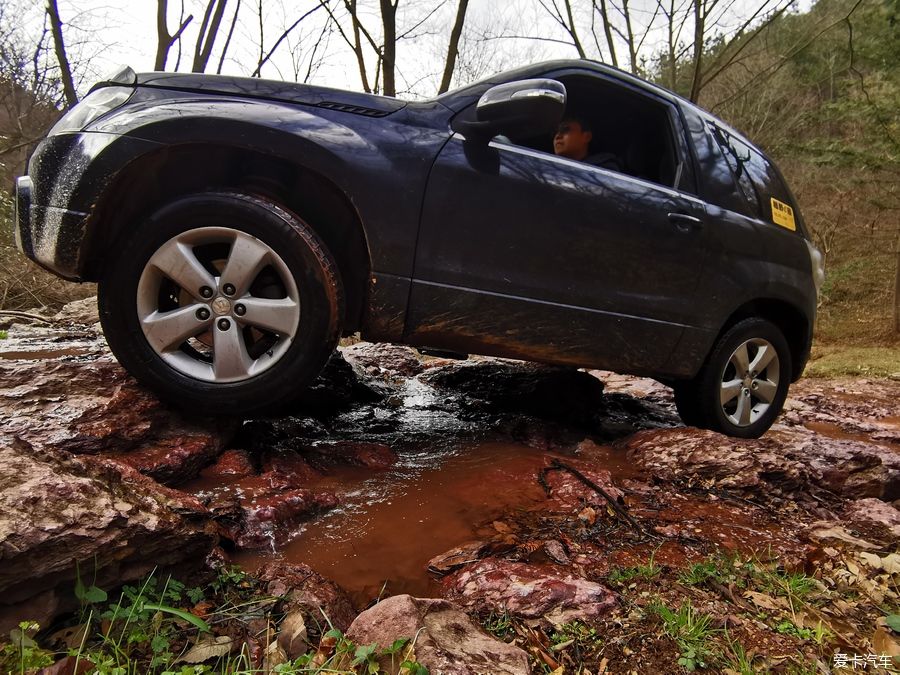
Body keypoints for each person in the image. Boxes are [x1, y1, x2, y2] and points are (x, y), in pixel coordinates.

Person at [553, 115, 621, 171]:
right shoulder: (549, 167)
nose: (557, 136)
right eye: (556, 132)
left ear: (587, 137)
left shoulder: (604, 171)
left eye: (565, 130)